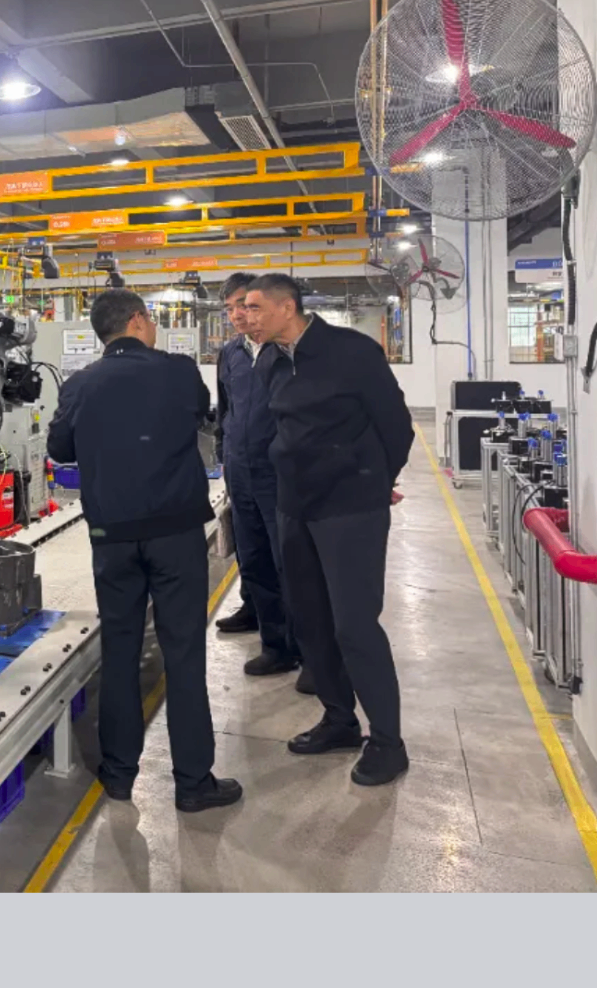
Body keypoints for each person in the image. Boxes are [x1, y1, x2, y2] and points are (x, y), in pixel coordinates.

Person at [47, 289, 242, 812]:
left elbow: (59, 450)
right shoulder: (178, 371)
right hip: (175, 532)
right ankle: (193, 782)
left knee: (121, 650)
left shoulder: (81, 383)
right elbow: (200, 417)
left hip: (112, 536)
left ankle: (118, 773)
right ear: (137, 320)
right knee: (184, 654)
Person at [242, 274, 414, 787]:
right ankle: (339, 720)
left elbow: (396, 426)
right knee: (311, 620)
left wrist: (375, 481)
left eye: (254, 308)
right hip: (294, 507)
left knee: (354, 626)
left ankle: (388, 742)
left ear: (287, 307)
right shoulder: (270, 361)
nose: (245, 318)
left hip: (350, 507)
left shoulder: (352, 352)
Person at [212, 273, 311, 689]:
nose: (238, 315)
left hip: (282, 475)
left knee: (293, 563)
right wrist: (225, 457)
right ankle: (275, 645)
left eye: (244, 305)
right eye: (230, 309)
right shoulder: (230, 353)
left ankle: (311, 651)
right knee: (253, 560)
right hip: (241, 472)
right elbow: (226, 410)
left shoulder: (290, 351)